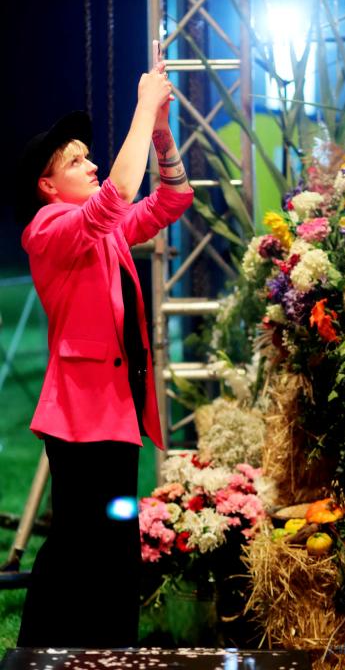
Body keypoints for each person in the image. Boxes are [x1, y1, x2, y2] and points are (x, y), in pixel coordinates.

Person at [15, 66, 194, 648]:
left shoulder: (103, 230)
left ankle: (113, 651)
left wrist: (161, 131)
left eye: (89, 156)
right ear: (47, 186)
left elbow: (173, 198)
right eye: (76, 161)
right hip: (79, 418)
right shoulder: (47, 229)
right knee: (75, 544)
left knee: (116, 544)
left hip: (115, 415)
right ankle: (41, 653)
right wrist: (143, 106)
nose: (91, 165)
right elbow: (117, 196)